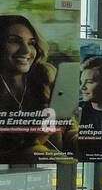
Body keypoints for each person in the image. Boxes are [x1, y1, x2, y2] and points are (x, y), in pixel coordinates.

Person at [0, 14, 59, 163]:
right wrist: (30, 151)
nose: (26, 51)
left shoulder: (44, 80)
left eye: (31, 43)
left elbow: (68, 131)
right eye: (14, 41)